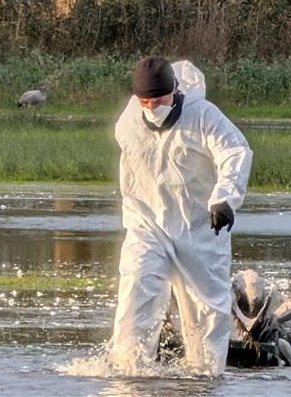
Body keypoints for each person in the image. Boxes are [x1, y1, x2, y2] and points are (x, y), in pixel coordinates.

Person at [109, 56, 253, 375]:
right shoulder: (129, 120)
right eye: (145, 101)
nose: (152, 107)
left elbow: (235, 152)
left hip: (199, 230)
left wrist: (224, 200)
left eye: (158, 100)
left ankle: (203, 378)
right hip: (146, 225)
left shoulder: (203, 116)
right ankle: (128, 375)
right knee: (135, 296)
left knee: (206, 311)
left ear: (173, 90)